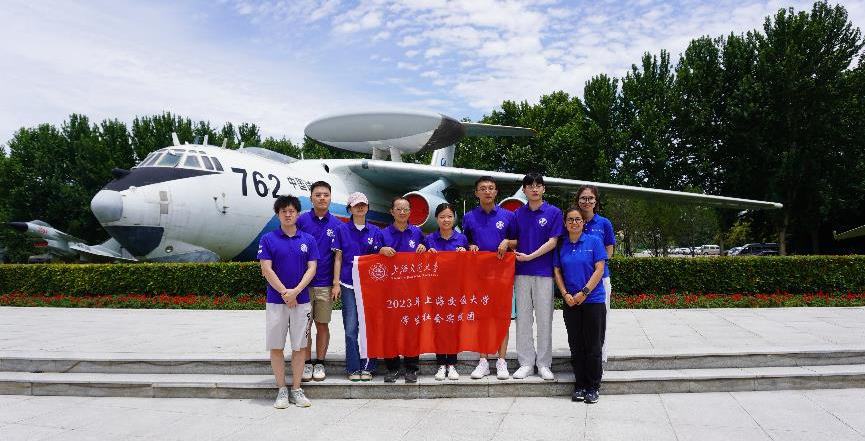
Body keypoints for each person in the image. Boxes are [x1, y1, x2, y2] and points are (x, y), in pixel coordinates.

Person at [258, 195, 318, 408]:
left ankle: (297, 389)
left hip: (302, 301)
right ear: (278, 214)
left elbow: (312, 268)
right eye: (283, 211)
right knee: (276, 346)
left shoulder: (308, 240)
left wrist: (297, 291)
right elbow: (266, 269)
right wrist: (285, 292)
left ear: (298, 214)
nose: (288, 214)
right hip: (276, 301)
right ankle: (282, 389)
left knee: (300, 347)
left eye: (291, 211)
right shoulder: (268, 239)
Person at [462, 176, 517, 380]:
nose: (487, 191)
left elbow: (517, 241)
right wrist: (470, 246)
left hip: (503, 276)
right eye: (483, 188)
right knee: (482, 319)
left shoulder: (508, 216)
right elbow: (464, 242)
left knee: (502, 318)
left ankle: (501, 361)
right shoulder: (469, 217)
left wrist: (507, 242)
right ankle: (483, 361)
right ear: (476, 193)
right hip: (479, 276)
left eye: (491, 188)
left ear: (496, 192)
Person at [510, 173, 563, 381]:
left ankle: (543, 364)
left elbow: (553, 242)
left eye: (538, 185)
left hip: (544, 273)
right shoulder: (517, 214)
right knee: (523, 320)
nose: (534, 189)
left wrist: (530, 256)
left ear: (544, 189)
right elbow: (514, 240)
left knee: (544, 320)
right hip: (521, 273)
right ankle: (525, 363)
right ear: (523, 190)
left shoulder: (554, 212)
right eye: (530, 186)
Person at [553, 207, 608, 404]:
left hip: (593, 301)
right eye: (570, 220)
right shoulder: (561, 244)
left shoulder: (594, 241)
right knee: (576, 345)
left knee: (593, 346)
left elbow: (599, 269)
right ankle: (580, 385)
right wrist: (565, 294)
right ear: (565, 223)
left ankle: (593, 387)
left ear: (583, 222)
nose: (574, 223)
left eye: (578, 219)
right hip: (571, 302)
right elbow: (557, 271)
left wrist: (584, 292)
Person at [296, 181, 343, 382]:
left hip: (325, 284)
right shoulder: (301, 221)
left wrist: (336, 283)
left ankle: (320, 363)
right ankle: (307, 363)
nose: (322, 198)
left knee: (322, 325)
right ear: (311, 198)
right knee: (305, 326)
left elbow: (338, 257)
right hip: (303, 285)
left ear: (330, 198)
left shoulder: (338, 225)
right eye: (318, 195)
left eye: (325, 195)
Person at [378, 196, 428, 383]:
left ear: (410, 212)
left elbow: (429, 255)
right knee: (390, 330)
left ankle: (411, 368)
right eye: (398, 209)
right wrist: (380, 251)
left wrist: (424, 247)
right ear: (391, 211)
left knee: (411, 329)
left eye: (405, 209)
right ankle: (392, 368)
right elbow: (371, 258)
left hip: (412, 291)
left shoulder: (417, 233)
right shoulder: (383, 234)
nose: (402, 212)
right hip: (389, 291)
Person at [333, 192, 381, 381]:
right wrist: (336, 283)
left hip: (370, 286)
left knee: (369, 326)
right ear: (349, 209)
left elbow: (379, 258)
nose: (360, 208)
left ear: (367, 207)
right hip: (347, 283)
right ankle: (353, 368)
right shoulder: (341, 229)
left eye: (363, 204)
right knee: (351, 326)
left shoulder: (375, 231)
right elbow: (338, 258)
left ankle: (368, 366)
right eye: (356, 205)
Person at [425, 202, 469, 381]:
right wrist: (426, 254)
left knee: (453, 326)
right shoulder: (429, 239)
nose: (446, 220)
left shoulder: (462, 239)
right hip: (435, 290)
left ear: (454, 218)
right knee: (438, 327)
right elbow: (421, 263)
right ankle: (441, 364)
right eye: (442, 217)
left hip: (455, 290)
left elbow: (469, 265)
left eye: (449, 216)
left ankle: (452, 364)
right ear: (436, 219)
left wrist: (465, 254)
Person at [576, 185, 615, 362]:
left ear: (596, 201)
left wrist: (595, 267)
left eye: (590, 198)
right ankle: (582, 359)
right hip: (577, 279)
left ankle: (599, 360)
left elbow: (609, 251)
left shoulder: (604, 223)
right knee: (580, 323)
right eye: (583, 198)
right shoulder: (573, 220)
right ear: (578, 200)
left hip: (600, 279)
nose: (587, 201)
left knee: (599, 322)